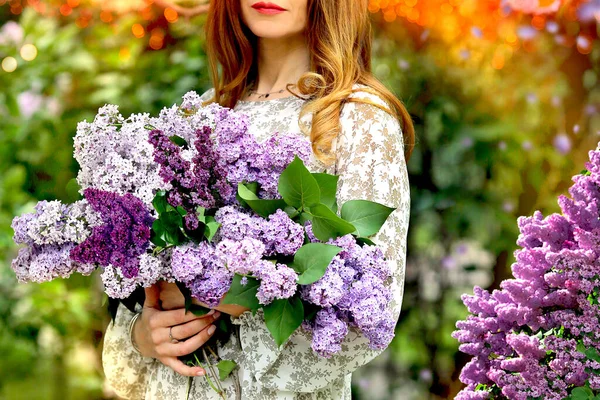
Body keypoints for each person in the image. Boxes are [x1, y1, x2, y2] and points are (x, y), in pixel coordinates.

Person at [102, 0, 414, 398]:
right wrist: (142, 335)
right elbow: (136, 288)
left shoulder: (357, 120)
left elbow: (374, 311)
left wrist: (225, 294)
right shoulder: (196, 117)